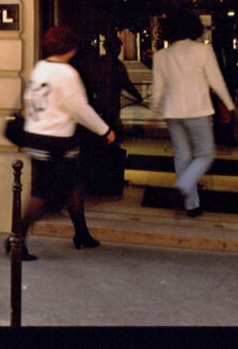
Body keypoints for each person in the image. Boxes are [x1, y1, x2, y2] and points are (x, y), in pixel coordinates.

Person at [9, 25, 115, 261]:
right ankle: (17, 239)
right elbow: (79, 109)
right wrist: (104, 129)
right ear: (71, 47)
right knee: (41, 194)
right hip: (57, 139)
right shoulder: (67, 74)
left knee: (75, 184)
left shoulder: (41, 68)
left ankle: (81, 233)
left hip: (37, 134)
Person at [151, 10, 236, 218]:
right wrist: (229, 105)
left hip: (172, 112)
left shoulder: (161, 55)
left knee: (183, 157)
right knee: (206, 154)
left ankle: (192, 205)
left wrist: (154, 111)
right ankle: (183, 187)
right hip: (198, 110)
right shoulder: (202, 51)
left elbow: (158, 89)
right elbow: (216, 81)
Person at [76, 30, 143, 195]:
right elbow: (126, 84)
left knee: (101, 144)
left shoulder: (99, 63)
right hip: (110, 111)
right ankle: (106, 181)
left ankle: (99, 180)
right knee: (110, 143)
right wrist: (138, 96)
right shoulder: (116, 66)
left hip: (98, 109)